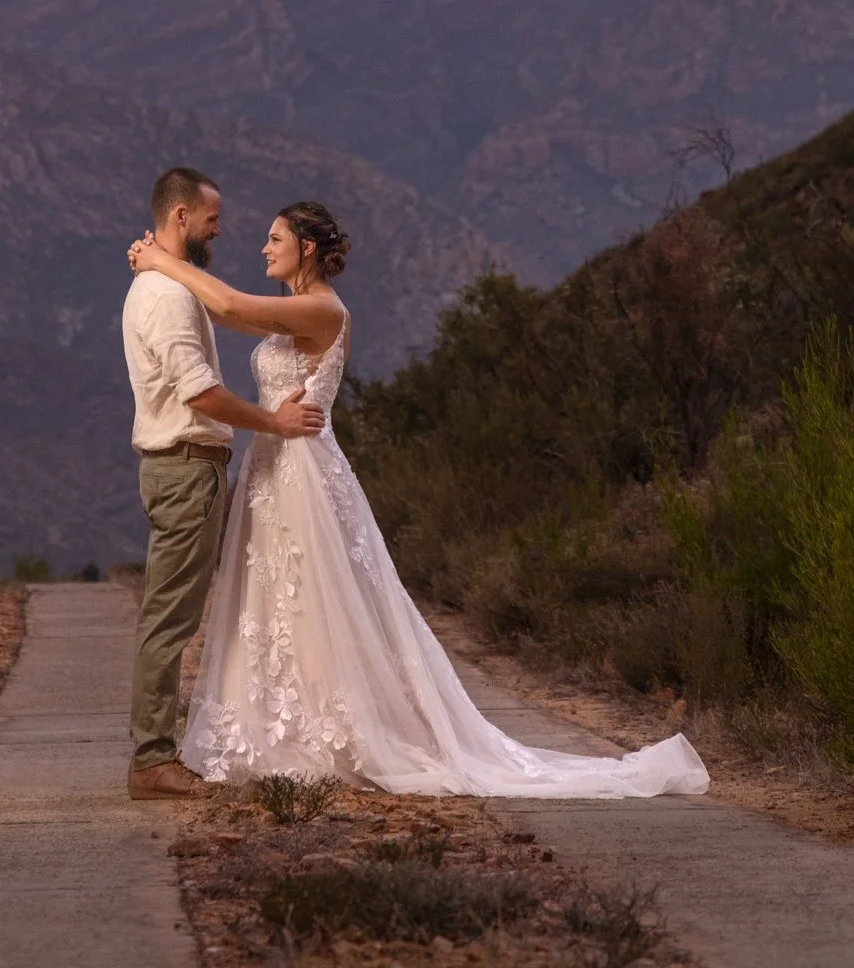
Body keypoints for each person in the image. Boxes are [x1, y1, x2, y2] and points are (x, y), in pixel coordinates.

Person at [128, 200, 710, 799]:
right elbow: (230, 315)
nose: (262, 247)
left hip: (302, 468)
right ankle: (277, 724)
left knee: (315, 596)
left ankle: (328, 731)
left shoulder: (323, 309)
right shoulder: (293, 313)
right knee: (276, 600)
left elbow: (229, 306)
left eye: (274, 238)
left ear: (306, 246)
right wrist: (164, 266)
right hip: (273, 465)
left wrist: (157, 259)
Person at [121, 167, 324, 799]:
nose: (222, 229)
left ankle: (159, 750)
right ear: (181, 216)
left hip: (188, 468)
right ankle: (151, 760)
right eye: (212, 218)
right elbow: (202, 392)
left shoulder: (169, 286)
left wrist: (157, 258)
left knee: (175, 612)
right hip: (185, 468)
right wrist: (273, 422)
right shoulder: (167, 297)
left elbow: (235, 308)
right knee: (170, 616)